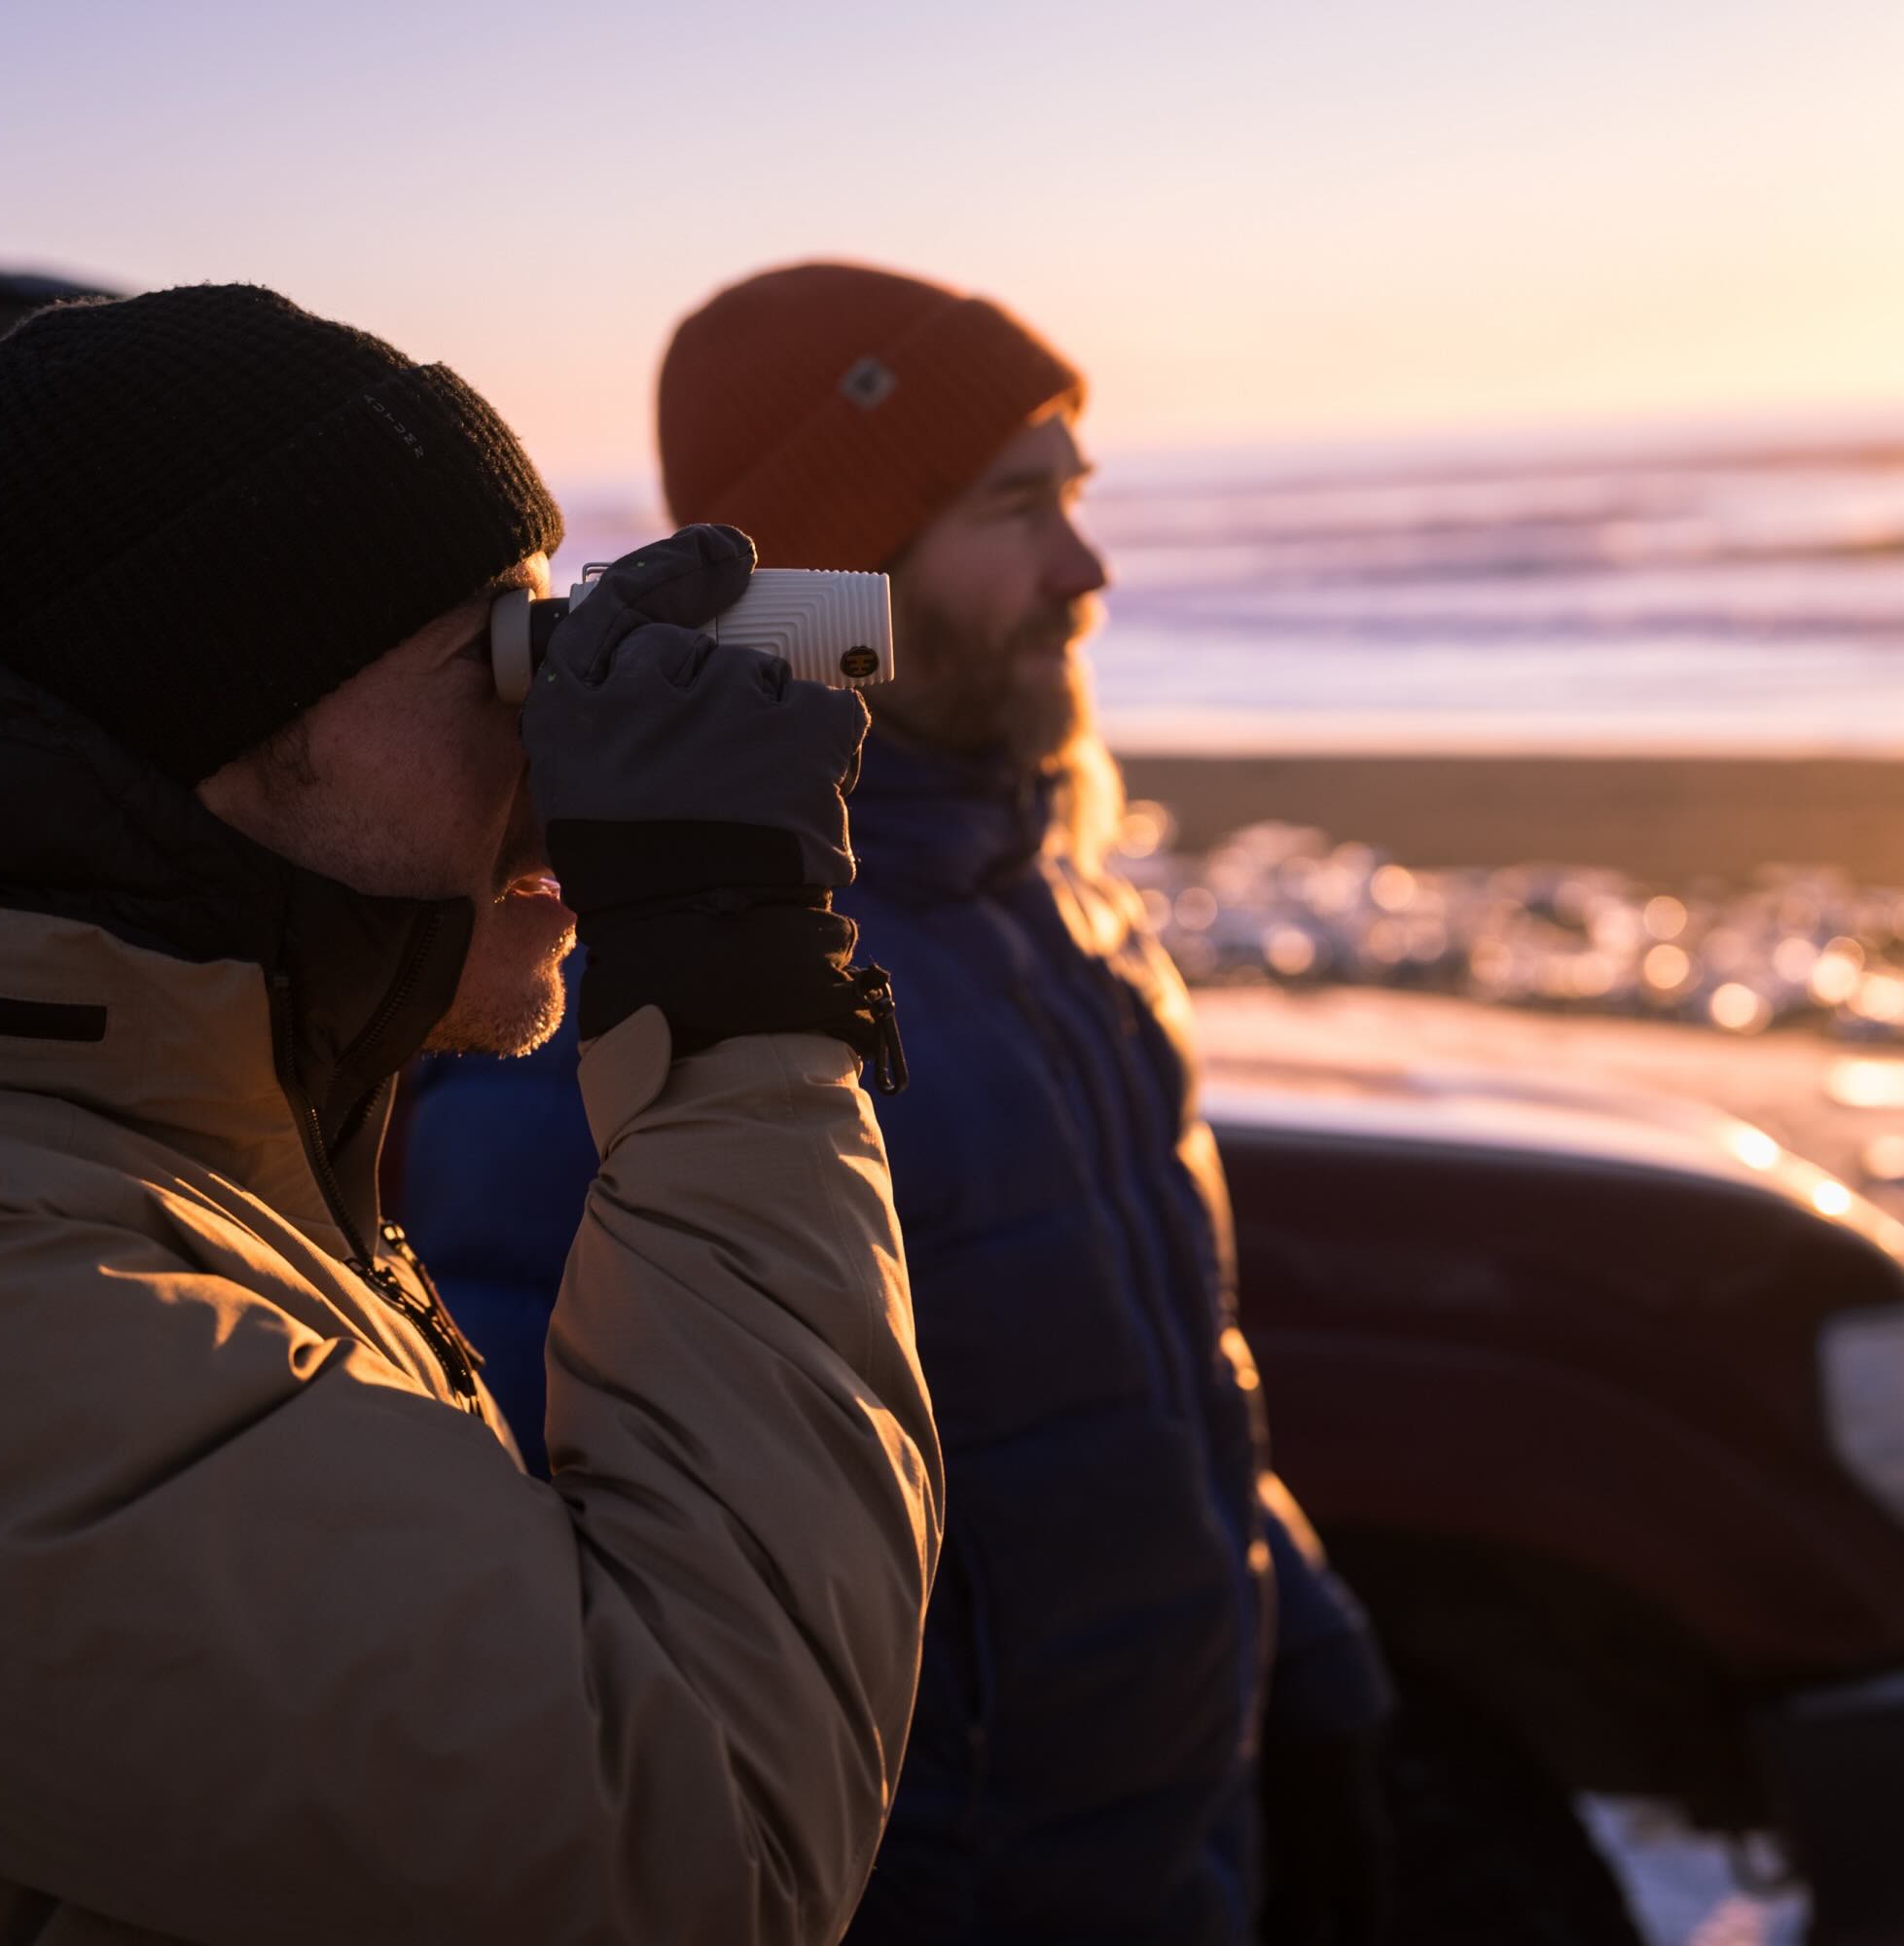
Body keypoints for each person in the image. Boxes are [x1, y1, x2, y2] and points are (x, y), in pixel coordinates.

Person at [0, 283, 941, 1944]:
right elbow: (710, 1841)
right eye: (502, 666)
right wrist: (732, 966)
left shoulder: (128, 1142)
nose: (567, 758)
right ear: (213, 732)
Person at [397, 262, 1395, 1942]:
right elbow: (567, 1578)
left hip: (1174, 1863)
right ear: (829, 576)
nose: (1089, 568)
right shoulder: (676, 981)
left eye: (1073, 498)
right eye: (1016, 508)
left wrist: (1310, 1660)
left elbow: (1158, 1362)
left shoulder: (1060, 907)